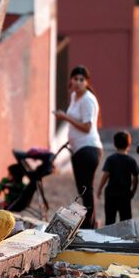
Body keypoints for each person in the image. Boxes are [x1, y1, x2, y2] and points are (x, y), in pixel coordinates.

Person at [54, 65, 103, 229]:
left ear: (86, 82)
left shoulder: (88, 99)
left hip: (88, 149)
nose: (78, 82)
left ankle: (90, 225)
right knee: (82, 189)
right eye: (75, 78)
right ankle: (88, 222)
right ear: (71, 80)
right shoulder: (75, 96)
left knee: (86, 189)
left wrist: (65, 117)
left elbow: (87, 127)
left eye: (82, 80)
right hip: (77, 150)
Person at [97, 131, 139, 225]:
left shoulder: (110, 159)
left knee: (110, 220)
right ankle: (124, 238)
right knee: (125, 221)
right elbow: (136, 177)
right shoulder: (131, 161)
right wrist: (133, 190)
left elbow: (106, 175)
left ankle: (109, 238)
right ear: (129, 144)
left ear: (114, 144)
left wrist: (100, 189)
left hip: (111, 194)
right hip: (124, 194)